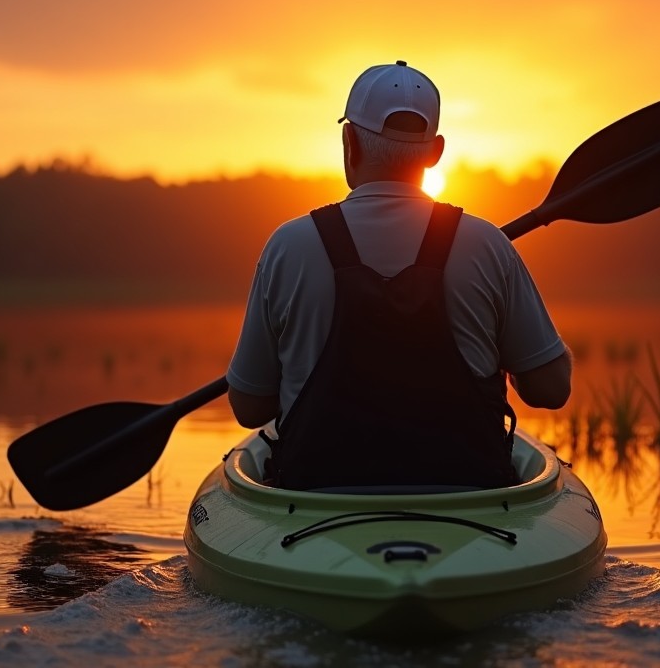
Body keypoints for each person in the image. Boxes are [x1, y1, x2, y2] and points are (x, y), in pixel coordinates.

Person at [227, 60, 572, 490]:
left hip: (316, 501)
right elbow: (551, 389)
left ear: (348, 141)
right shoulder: (486, 245)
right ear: (436, 151)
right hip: (470, 502)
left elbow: (249, 407)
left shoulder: (288, 246)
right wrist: (501, 350)